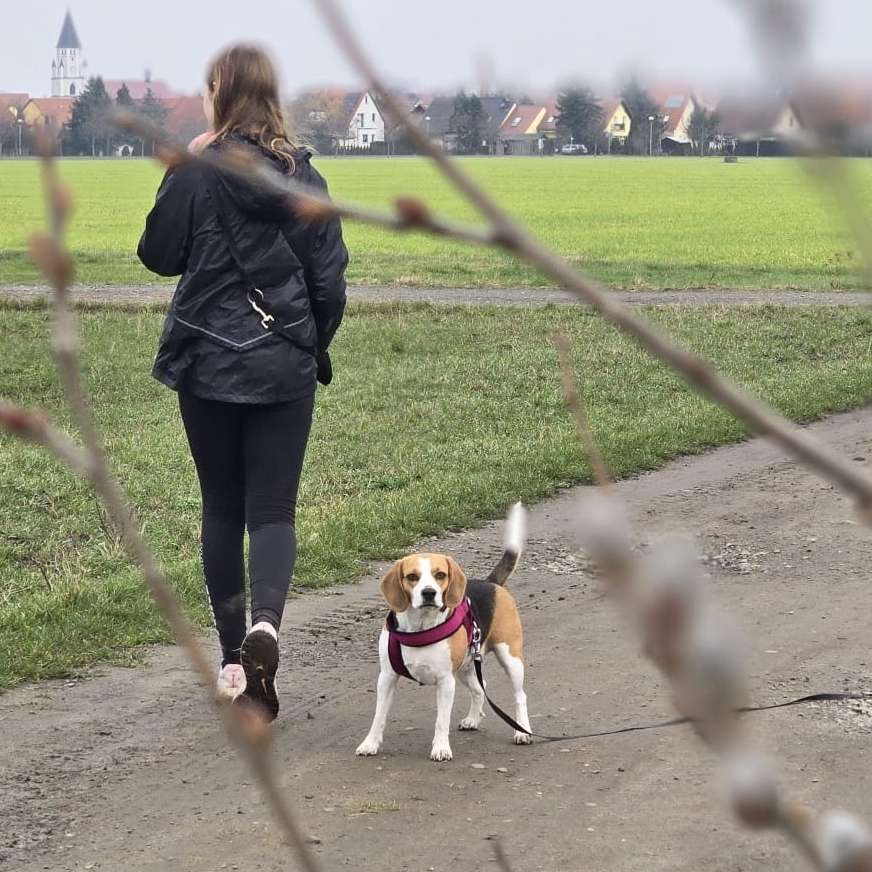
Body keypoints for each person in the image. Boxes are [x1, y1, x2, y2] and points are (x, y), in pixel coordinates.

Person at [137, 44, 348, 721]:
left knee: (222, 509)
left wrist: (183, 167)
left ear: (220, 94)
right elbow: (328, 280)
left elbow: (158, 256)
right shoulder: (303, 177)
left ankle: (234, 664)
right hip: (283, 362)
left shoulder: (197, 173)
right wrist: (312, 345)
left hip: (205, 362)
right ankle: (267, 628)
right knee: (273, 510)